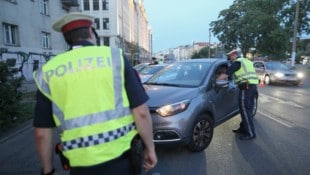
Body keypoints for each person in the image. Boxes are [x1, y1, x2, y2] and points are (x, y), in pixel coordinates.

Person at [32, 12, 157, 175]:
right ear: (91, 31)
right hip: (121, 162)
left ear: (66, 38)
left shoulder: (48, 72)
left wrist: (48, 171)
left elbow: (42, 133)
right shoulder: (115, 58)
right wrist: (150, 148)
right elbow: (140, 113)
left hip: (80, 167)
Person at [217, 49, 259, 140]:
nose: (230, 58)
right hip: (252, 87)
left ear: (234, 55)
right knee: (248, 109)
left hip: (246, 88)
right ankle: (243, 129)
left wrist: (216, 80)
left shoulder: (237, 63)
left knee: (245, 110)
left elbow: (225, 75)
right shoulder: (247, 61)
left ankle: (251, 133)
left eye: (230, 56)